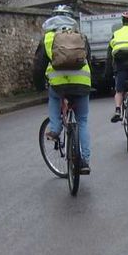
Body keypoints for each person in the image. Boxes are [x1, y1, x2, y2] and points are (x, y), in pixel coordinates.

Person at [42, 11, 93, 174]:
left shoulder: (49, 38)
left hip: (59, 83)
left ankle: (56, 128)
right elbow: (88, 58)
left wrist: (40, 84)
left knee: (54, 96)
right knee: (82, 121)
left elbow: (39, 65)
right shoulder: (80, 35)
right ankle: (84, 161)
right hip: (82, 80)